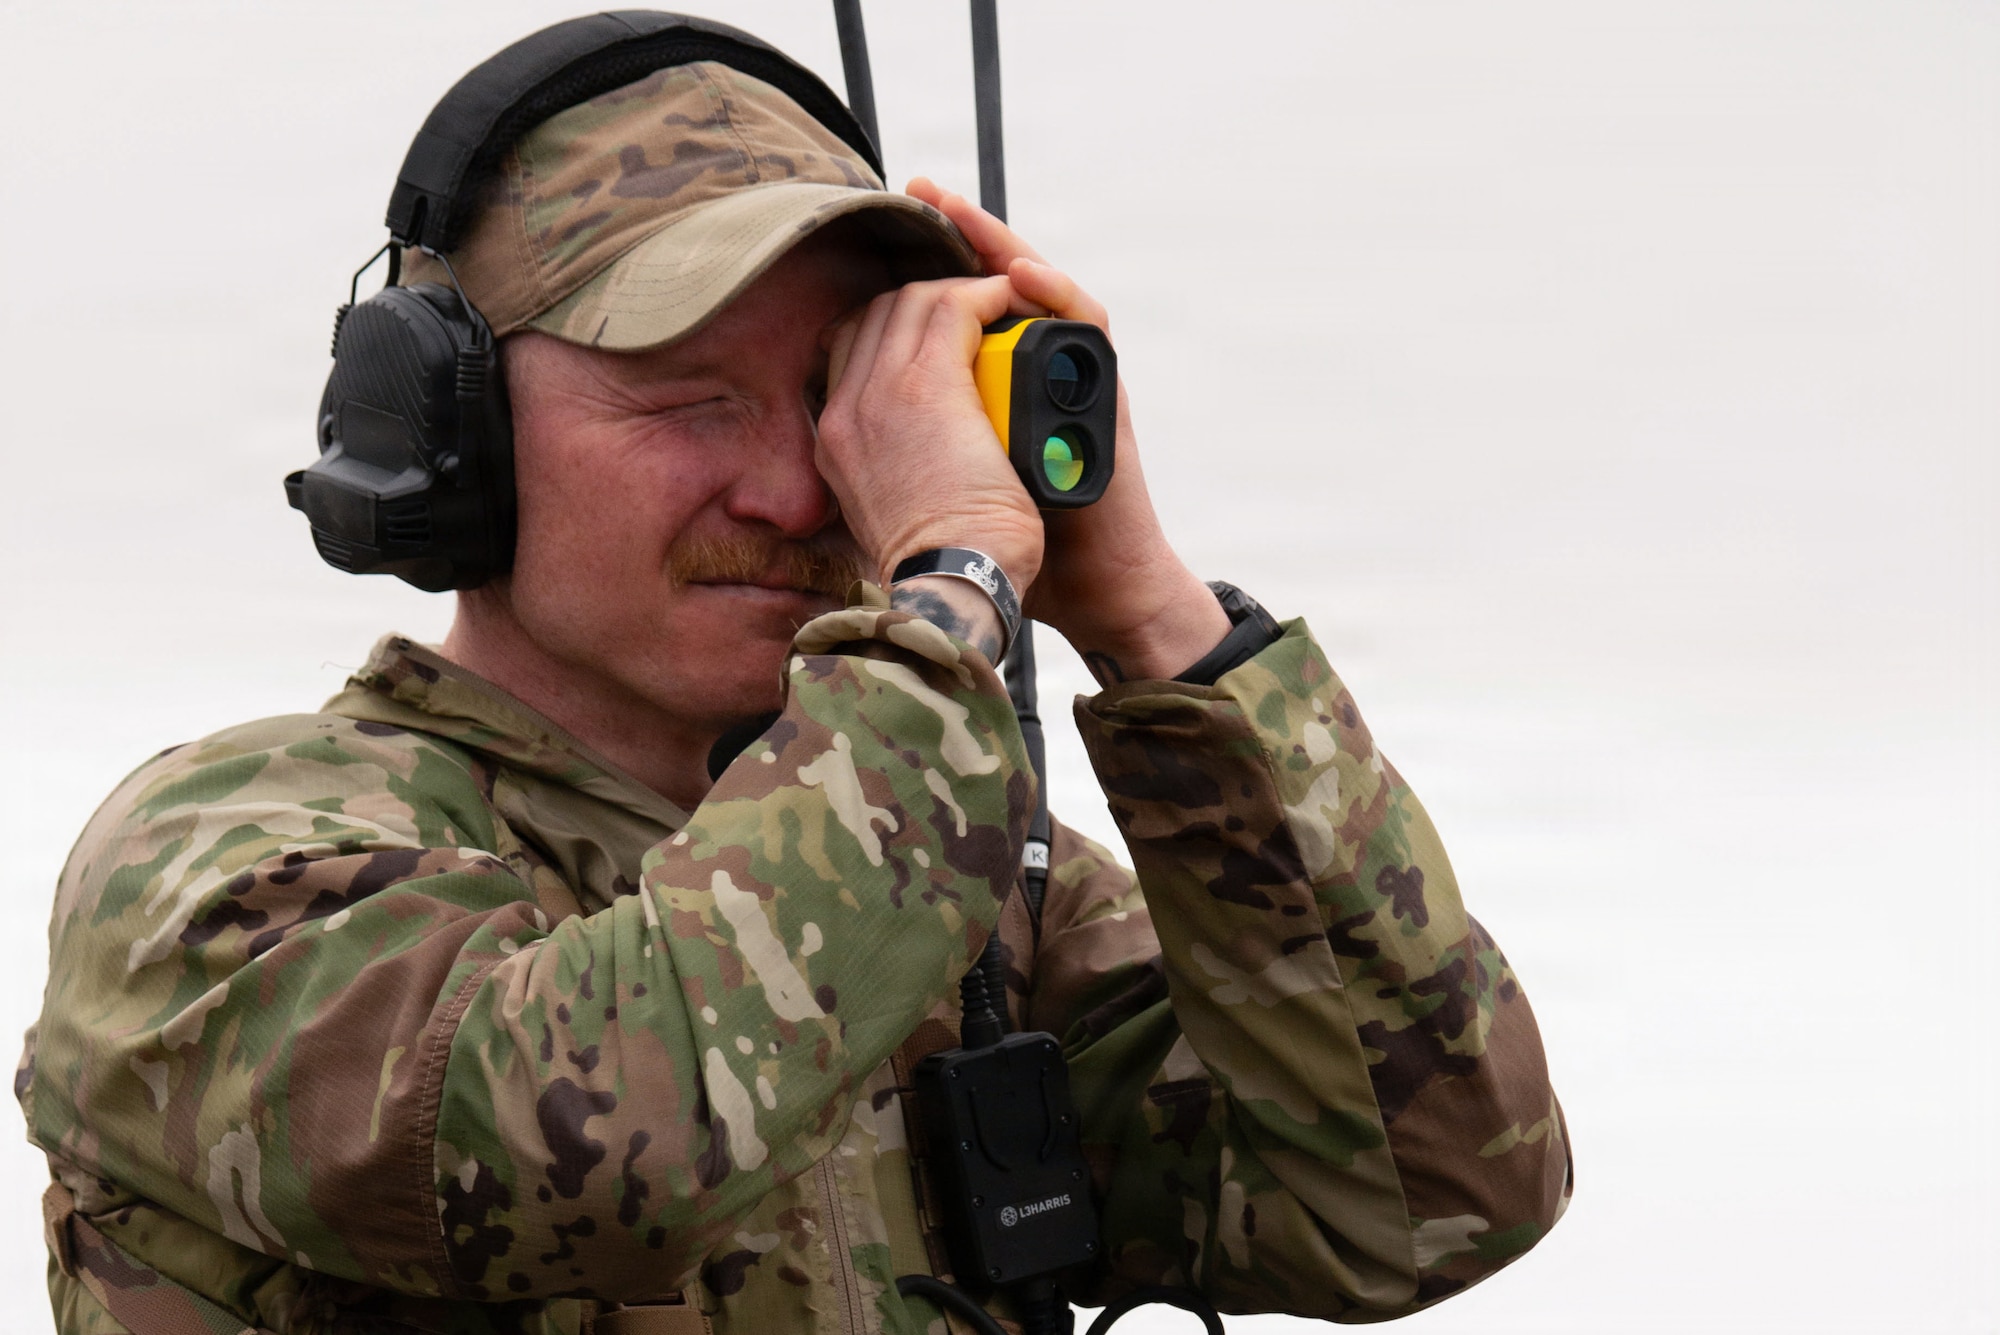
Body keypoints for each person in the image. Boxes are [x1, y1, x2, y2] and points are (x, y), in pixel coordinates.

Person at [18, 18, 1571, 1335]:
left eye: (842, 404)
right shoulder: (222, 857)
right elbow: (603, 1143)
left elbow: (1426, 1187)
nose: (796, 488)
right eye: (689, 400)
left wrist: (1148, 615)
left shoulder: (967, 899)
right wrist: (954, 590)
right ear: (455, 433)